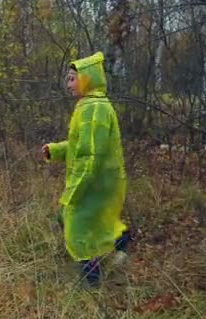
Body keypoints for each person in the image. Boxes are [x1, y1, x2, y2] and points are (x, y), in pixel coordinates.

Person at [42, 51, 130, 287]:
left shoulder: (94, 108)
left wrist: (74, 190)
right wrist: (56, 150)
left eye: (72, 78)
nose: (68, 83)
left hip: (95, 182)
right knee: (98, 222)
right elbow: (82, 145)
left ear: (88, 78)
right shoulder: (90, 105)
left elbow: (91, 155)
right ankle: (120, 246)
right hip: (102, 181)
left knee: (76, 226)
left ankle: (91, 283)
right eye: (68, 78)